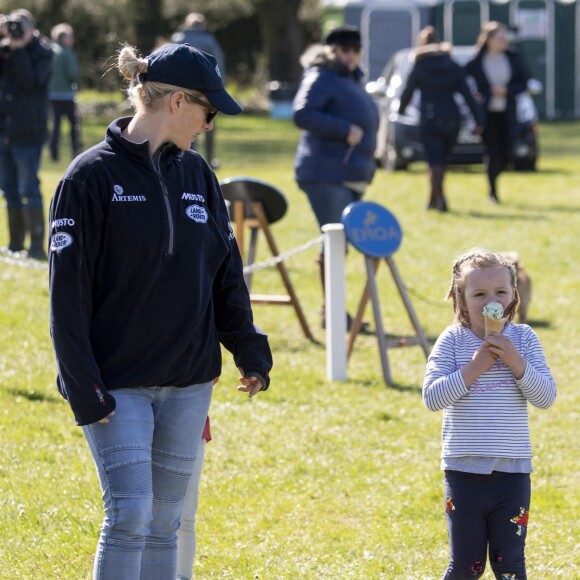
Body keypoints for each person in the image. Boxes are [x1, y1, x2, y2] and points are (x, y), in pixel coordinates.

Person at [48, 42, 273, 579]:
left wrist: (249, 350)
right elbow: (66, 298)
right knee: (130, 515)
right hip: (115, 385)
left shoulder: (198, 176)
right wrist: (83, 386)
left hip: (189, 383)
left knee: (166, 521)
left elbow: (224, 274)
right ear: (176, 101)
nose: (210, 125)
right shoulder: (87, 178)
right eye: (208, 111)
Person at [423, 247, 556, 579]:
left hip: (512, 474)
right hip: (464, 472)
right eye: (479, 293)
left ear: (513, 295)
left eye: (500, 292)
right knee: (467, 566)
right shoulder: (452, 341)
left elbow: (546, 397)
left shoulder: (524, 339)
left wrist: (516, 363)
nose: (489, 300)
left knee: (509, 564)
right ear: (461, 298)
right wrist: (476, 367)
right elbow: (432, 397)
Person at [292, 25, 379, 329]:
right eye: (345, 50)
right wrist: (344, 129)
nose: (351, 56)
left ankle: (334, 312)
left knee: (338, 243)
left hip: (348, 173)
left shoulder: (352, 79)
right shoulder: (322, 75)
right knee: (335, 241)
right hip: (325, 173)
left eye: (356, 50)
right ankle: (334, 314)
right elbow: (302, 113)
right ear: (331, 51)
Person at [399, 26, 482, 212]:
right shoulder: (451, 64)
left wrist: (401, 110)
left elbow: (408, 91)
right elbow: (467, 95)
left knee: (434, 163)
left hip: (429, 118)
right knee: (441, 163)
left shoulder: (419, 65)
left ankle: (441, 199)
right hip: (451, 118)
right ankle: (433, 199)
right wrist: (478, 120)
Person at [0, 9, 52, 259]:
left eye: (20, 27)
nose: (16, 32)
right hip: (5, 131)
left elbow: (31, 82)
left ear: (32, 28)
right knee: (9, 189)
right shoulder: (5, 49)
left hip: (28, 131)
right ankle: (15, 244)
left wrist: (19, 47)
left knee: (28, 188)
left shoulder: (43, 52)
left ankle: (36, 248)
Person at [465, 21, 530, 204]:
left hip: (507, 112)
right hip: (487, 115)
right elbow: (464, 82)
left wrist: (507, 90)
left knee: (506, 152)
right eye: (500, 38)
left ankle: (496, 177)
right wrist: (476, 96)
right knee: (492, 152)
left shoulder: (513, 57)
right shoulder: (476, 60)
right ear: (489, 40)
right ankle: (492, 191)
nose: (504, 42)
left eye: (505, 38)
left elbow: (524, 82)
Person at [172, 13, 225, 169]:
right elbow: (218, 65)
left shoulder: (177, 39)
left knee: (185, 124)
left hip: (181, 90)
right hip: (207, 91)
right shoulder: (209, 40)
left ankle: (186, 156)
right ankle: (208, 160)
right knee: (208, 126)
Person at [176, 416, 211, 580]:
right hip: (141, 417)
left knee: (185, 516)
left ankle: (183, 576)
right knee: (140, 515)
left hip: (192, 419)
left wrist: (264, 387)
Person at [48, 22, 81, 162]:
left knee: (55, 126)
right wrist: (78, 83)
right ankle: (75, 151)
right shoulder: (68, 53)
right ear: (63, 38)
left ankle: (54, 153)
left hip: (52, 94)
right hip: (67, 95)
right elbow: (73, 74)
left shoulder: (49, 51)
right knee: (74, 125)